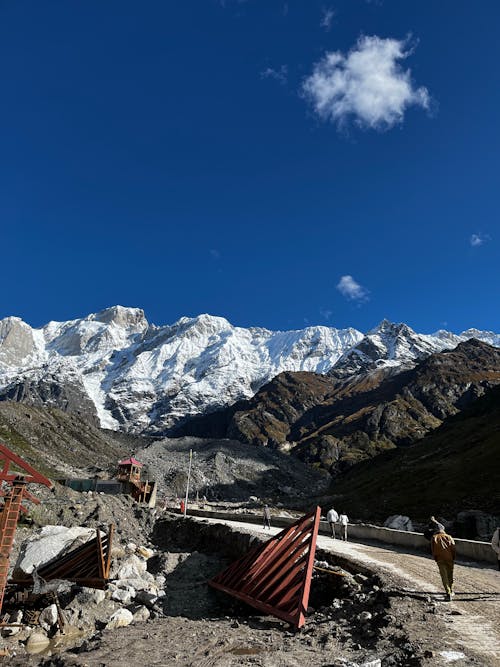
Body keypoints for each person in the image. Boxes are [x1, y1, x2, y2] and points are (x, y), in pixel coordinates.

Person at [430, 525, 456, 601]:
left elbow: (433, 549)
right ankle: (451, 590)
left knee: (444, 576)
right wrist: (453, 557)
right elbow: (453, 548)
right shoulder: (449, 537)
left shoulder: (434, 537)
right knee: (450, 574)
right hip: (449, 558)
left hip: (440, 559)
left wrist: (435, 558)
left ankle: (448, 593)